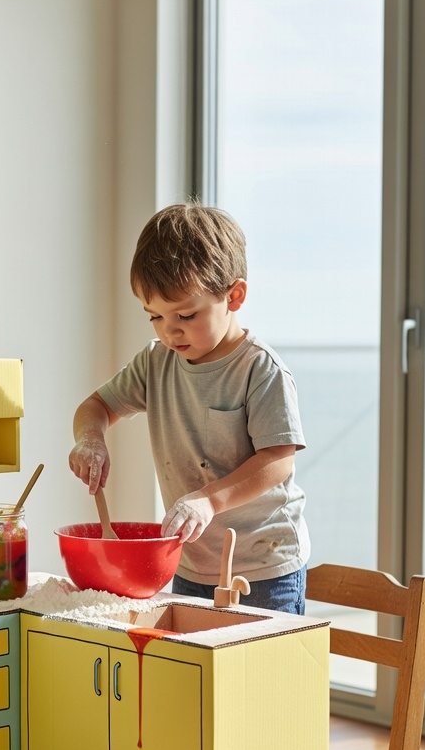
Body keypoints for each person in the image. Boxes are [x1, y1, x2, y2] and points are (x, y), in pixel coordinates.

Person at [68, 202, 309, 614]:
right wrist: (91, 439)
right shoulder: (156, 362)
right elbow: (95, 406)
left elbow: (278, 461)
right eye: (154, 317)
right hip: (190, 563)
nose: (169, 331)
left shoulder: (259, 369)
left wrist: (209, 501)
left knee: (255, 676)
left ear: (234, 296)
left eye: (185, 314)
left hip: (264, 569)